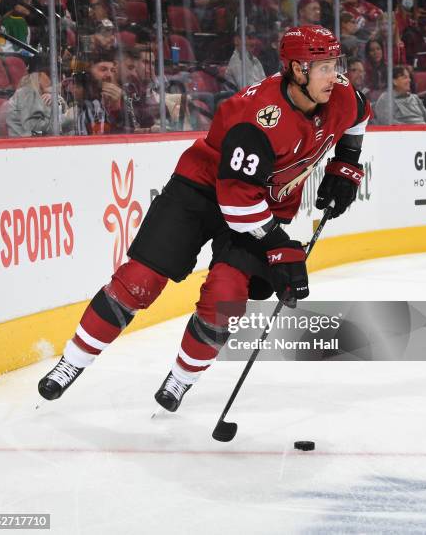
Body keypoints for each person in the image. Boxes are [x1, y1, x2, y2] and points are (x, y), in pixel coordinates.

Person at [37, 25, 371, 413]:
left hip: (261, 204)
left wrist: (346, 162)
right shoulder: (257, 119)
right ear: (298, 70)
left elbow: (360, 115)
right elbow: (237, 205)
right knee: (138, 281)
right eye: (324, 67)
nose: (336, 76)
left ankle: (179, 380)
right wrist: (279, 246)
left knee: (225, 297)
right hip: (201, 192)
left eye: (335, 64)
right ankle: (71, 364)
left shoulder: (340, 92)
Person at [224, 24, 266, 90]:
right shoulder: (236, 62)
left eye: (254, 38)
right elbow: (246, 89)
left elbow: (265, 82)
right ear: (237, 40)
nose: (253, 42)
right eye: (250, 38)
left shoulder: (255, 60)